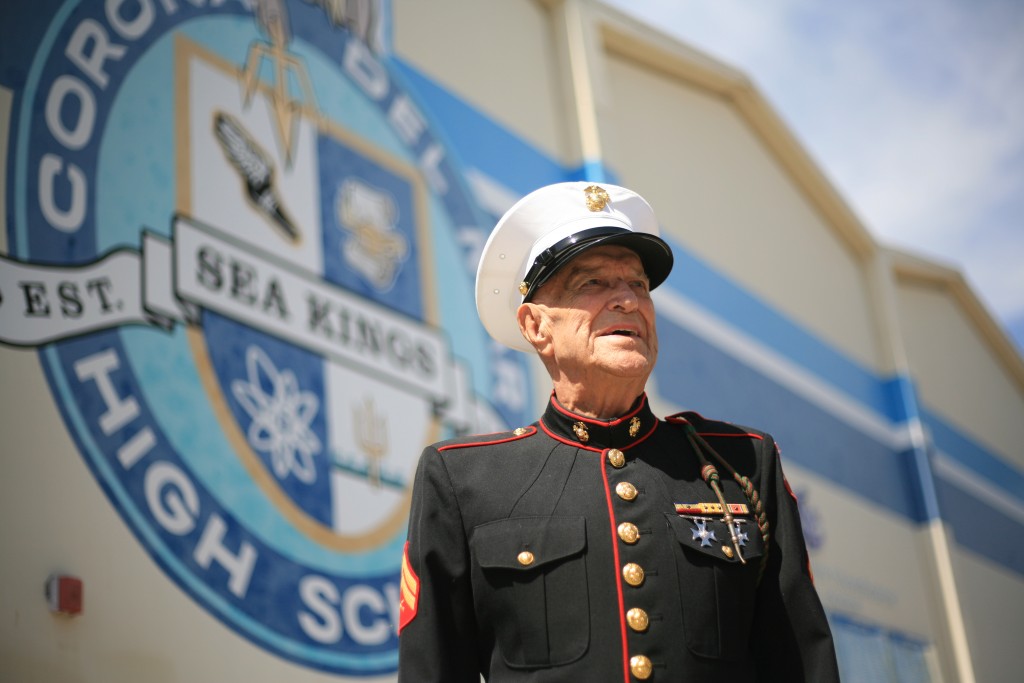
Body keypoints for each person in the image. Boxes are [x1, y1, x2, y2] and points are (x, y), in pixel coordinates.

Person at [396, 182, 840, 681]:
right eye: (593, 284)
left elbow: (801, 663)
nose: (629, 300)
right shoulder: (464, 479)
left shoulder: (741, 464)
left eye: (640, 286)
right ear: (536, 326)